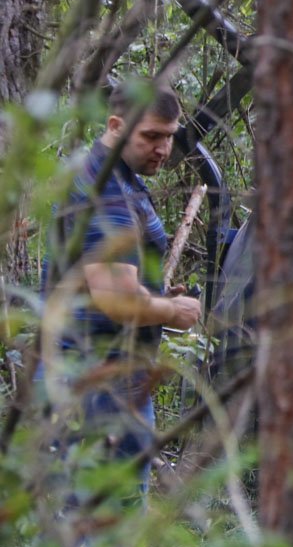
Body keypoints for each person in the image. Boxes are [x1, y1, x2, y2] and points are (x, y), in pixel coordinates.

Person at [44, 80, 203, 489]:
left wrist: (154, 298)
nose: (163, 150)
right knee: (102, 518)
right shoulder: (105, 190)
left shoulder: (121, 175)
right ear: (116, 125)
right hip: (95, 381)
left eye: (169, 137)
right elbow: (115, 300)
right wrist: (174, 312)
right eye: (151, 136)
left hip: (113, 376)